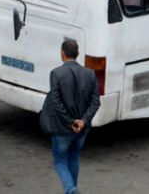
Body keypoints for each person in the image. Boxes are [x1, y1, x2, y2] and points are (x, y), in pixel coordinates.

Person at [40, 39, 100, 194]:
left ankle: (71, 189)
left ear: (62, 53)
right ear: (78, 54)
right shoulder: (90, 74)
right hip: (81, 129)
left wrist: (70, 121)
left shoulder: (56, 74)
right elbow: (95, 102)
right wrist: (83, 121)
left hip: (63, 128)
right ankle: (72, 189)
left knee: (60, 159)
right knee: (74, 155)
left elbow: (56, 102)